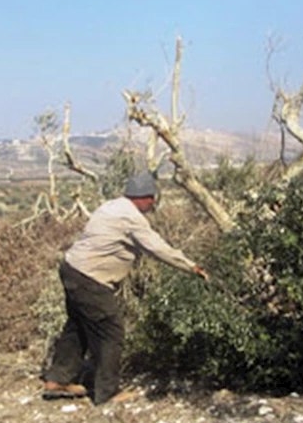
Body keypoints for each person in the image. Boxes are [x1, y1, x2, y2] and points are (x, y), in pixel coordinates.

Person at [42, 171, 210, 405]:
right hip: (90, 279)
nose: (153, 203)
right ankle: (107, 392)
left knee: (77, 326)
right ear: (142, 197)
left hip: (71, 269)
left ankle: (58, 380)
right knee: (111, 331)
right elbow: (157, 248)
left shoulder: (110, 206)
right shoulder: (132, 217)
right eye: (151, 198)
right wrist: (192, 267)